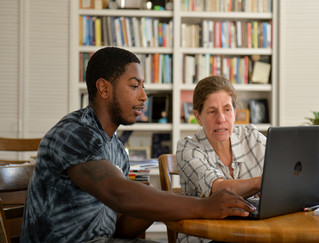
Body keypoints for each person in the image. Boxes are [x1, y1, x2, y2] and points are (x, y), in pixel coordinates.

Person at [20, 47, 256, 243]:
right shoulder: (74, 132)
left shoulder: (116, 149)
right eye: (134, 86)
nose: (144, 96)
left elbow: (121, 227)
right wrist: (204, 206)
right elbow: (118, 193)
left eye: (143, 86)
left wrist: (160, 201)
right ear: (104, 88)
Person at [176, 75, 267, 243]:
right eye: (212, 111)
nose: (221, 119)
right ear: (198, 116)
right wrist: (264, 182)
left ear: (235, 112)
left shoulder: (252, 137)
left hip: (251, 234)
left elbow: (283, 171)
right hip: (206, 238)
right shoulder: (187, 148)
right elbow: (218, 190)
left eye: (227, 109)